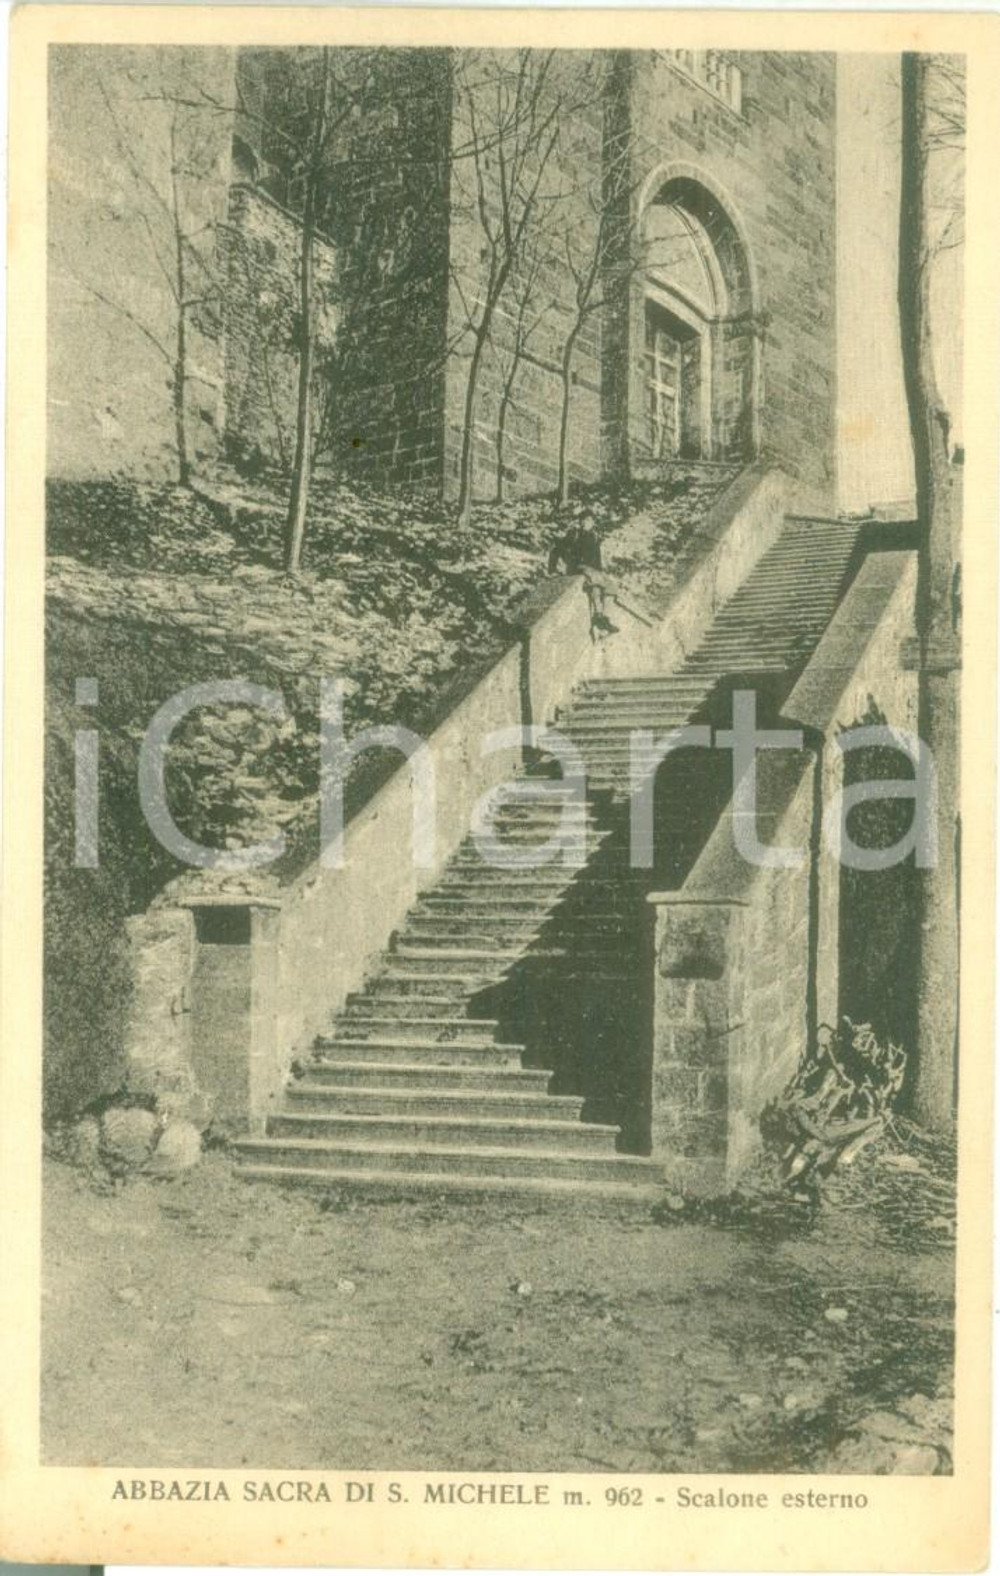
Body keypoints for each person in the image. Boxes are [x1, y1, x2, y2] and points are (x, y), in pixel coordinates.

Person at [547, 518, 619, 636]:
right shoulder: (574, 534)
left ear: (593, 523)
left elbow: (597, 559)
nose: (585, 523)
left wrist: (601, 571)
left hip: (593, 570)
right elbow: (556, 549)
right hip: (578, 567)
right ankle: (599, 617)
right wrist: (552, 570)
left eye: (589, 520)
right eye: (584, 520)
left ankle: (604, 618)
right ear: (580, 522)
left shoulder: (595, 537)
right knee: (596, 580)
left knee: (610, 587)